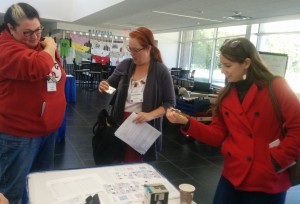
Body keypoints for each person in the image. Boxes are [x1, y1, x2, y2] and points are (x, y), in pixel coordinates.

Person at [166, 38, 300, 204]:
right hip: (232, 175)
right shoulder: (227, 94)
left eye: (228, 65)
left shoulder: (276, 86)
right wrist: (185, 122)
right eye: (221, 64)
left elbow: (297, 128)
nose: (222, 70)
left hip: (267, 179)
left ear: (246, 63)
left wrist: (276, 161)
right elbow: (216, 135)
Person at [0, 3, 66, 204]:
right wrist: (52, 46)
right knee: (13, 193)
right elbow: (37, 66)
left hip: (46, 130)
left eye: (38, 30)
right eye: (27, 32)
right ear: (11, 29)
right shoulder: (5, 48)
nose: (35, 36)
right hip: (19, 134)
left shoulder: (40, 47)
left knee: (40, 186)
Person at [98, 27, 175, 162]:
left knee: (137, 165)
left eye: (136, 50)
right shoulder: (125, 65)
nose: (132, 54)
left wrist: (150, 115)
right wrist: (104, 86)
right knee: (117, 160)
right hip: (120, 122)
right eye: (130, 49)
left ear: (149, 48)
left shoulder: (160, 71)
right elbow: (110, 87)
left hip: (144, 126)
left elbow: (170, 104)